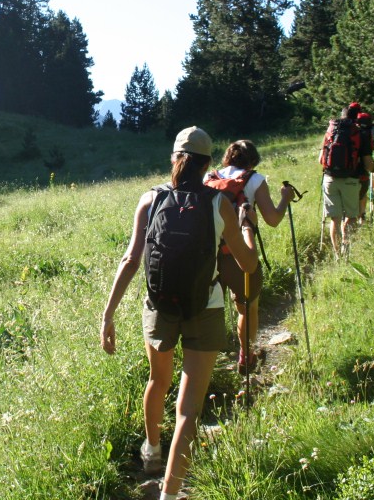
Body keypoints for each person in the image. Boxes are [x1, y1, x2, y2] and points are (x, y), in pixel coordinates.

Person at [101, 127, 259, 500]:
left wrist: (108, 315)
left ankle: (152, 451)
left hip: (159, 306)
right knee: (188, 409)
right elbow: (249, 264)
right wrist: (247, 227)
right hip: (206, 306)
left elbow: (130, 259)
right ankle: (170, 494)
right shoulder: (220, 204)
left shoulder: (151, 199)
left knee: (158, 380)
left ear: (174, 158)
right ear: (208, 164)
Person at [205, 140, 294, 373]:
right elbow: (273, 219)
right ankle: (246, 355)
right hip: (240, 252)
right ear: (252, 160)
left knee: (209, 310)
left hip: (209, 255)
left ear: (227, 158)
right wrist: (286, 197)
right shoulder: (255, 180)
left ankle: (207, 365)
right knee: (248, 306)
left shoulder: (208, 179)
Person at [319, 105, 374, 258]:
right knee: (351, 217)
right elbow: (367, 163)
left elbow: (321, 160)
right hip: (350, 180)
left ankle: (338, 255)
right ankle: (347, 249)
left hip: (329, 179)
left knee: (335, 219)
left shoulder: (331, 130)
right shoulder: (359, 133)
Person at [354, 110, 374, 223]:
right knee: (361, 195)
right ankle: (361, 218)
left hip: (344, 172)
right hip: (361, 172)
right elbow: (367, 160)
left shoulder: (350, 132)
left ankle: (355, 218)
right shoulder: (366, 135)